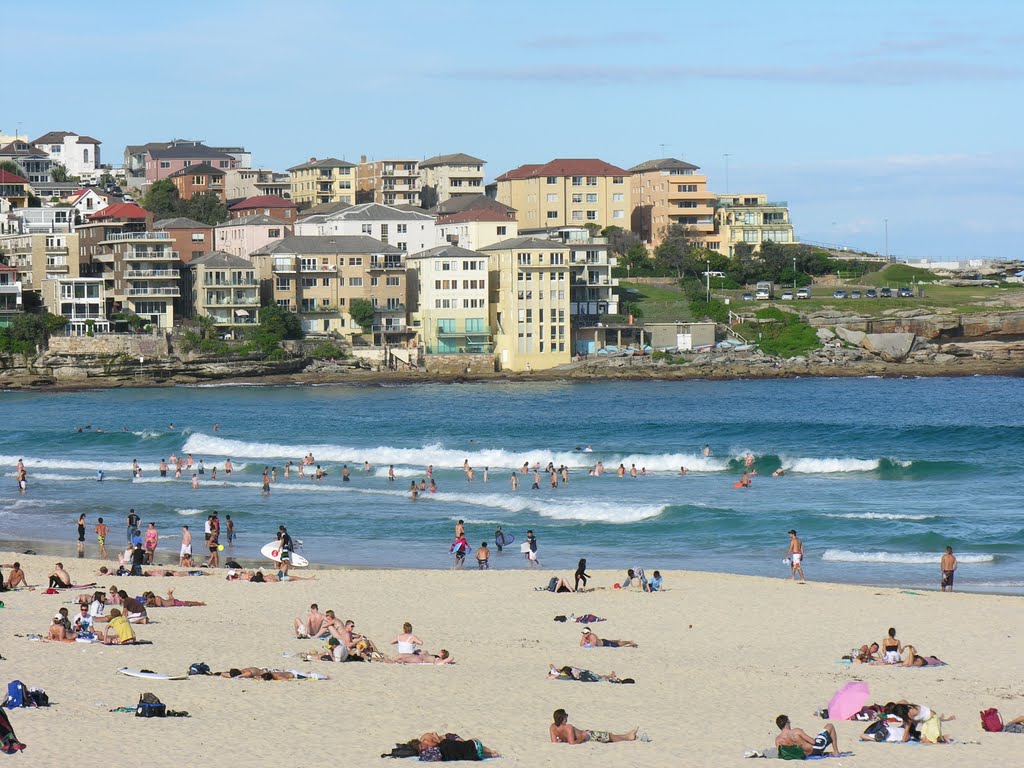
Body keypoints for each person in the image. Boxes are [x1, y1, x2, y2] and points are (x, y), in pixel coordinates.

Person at [549, 709, 639, 745]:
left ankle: (627, 735)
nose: (567, 718)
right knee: (609, 736)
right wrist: (583, 738)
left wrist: (562, 740)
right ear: (562, 718)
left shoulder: (552, 727)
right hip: (588, 736)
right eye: (566, 716)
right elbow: (572, 743)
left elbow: (554, 742)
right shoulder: (568, 727)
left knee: (610, 736)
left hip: (586, 735)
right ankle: (628, 738)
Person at [775, 715, 840, 758]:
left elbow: (781, 752)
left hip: (804, 754)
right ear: (787, 723)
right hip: (814, 750)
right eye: (789, 721)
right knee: (830, 726)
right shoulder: (796, 731)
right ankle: (836, 752)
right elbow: (813, 742)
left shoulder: (778, 740)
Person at [413, 731, 500, 760]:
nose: (424, 748)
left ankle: (490, 751)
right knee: (465, 747)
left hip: (450, 737)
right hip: (447, 742)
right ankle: (491, 753)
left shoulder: (427, 739)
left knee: (463, 743)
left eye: (422, 747)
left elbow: (436, 737)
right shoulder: (425, 743)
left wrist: (438, 740)